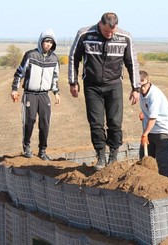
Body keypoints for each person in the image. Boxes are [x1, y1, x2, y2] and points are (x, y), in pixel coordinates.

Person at [68, 12, 140, 170]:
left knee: (115, 122)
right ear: (100, 24)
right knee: (96, 123)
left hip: (114, 85)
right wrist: (73, 82)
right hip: (92, 86)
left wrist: (136, 88)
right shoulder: (84, 34)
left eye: (112, 32)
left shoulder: (124, 37)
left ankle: (113, 154)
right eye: (107, 31)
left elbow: (132, 62)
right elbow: (74, 57)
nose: (110, 34)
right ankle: (100, 155)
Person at [11, 29, 60, 160]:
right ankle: (27, 146)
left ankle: (42, 150)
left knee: (45, 123)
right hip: (30, 94)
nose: (48, 44)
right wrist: (14, 89)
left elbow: (55, 76)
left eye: (51, 42)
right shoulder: (30, 55)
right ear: (41, 41)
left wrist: (56, 92)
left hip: (44, 95)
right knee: (29, 120)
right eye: (46, 41)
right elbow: (19, 73)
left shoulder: (54, 58)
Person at [139, 70, 168, 179]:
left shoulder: (154, 94)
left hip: (162, 131)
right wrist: (144, 113)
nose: (142, 88)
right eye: (138, 86)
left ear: (149, 81)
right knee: (144, 160)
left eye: (143, 85)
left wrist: (145, 134)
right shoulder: (141, 92)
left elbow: (153, 118)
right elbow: (149, 111)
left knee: (164, 164)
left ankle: (167, 188)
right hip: (151, 131)